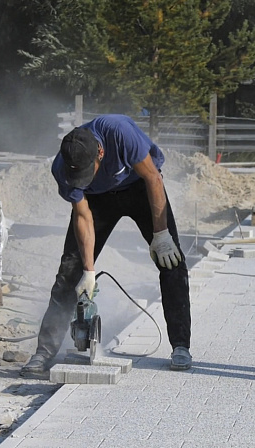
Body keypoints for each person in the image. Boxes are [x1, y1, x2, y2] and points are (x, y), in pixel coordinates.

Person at [21, 114, 192, 379]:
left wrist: (161, 235)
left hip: (139, 187)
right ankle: (43, 352)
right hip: (97, 201)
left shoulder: (120, 132)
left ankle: (180, 345)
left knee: (171, 262)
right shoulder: (62, 168)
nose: (85, 178)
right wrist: (88, 271)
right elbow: (82, 215)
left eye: (90, 171)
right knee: (69, 273)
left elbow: (153, 179)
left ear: (101, 152)